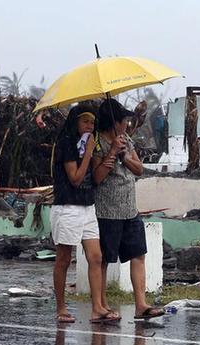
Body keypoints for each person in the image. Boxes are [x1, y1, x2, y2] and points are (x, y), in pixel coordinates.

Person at [92, 98, 164, 320]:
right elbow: (96, 177)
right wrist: (112, 153)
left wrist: (124, 156)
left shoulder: (127, 141)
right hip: (108, 211)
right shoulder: (97, 144)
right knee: (104, 259)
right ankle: (102, 305)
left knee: (137, 254)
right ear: (114, 122)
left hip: (130, 209)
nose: (126, 124)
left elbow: (139, 169)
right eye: (123, 120)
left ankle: (141, 305)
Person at [50, 105, 119, 323]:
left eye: (92, 122)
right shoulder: (67, 145)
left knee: (96, 257)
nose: (89, 126)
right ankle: (61, 307)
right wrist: (89, 152)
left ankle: (97, 307)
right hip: (68, 207)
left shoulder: (89, 143)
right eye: (85, 122)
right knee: (64, 258)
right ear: (75, 123)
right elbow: (76, 179)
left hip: (88, 206)